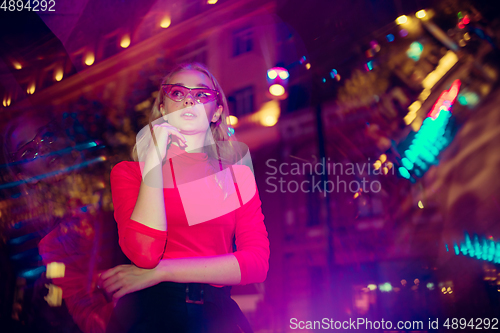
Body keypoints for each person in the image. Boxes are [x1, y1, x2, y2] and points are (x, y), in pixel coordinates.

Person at [100, 63, 270, 333]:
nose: (189, 99)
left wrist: (163, 271)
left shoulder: (236, 178)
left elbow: (257, 263)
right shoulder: (130, 173)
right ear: (163, 108)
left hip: (217, 317)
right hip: (150, 314)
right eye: (177, 93)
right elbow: (145, 255)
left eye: (202, 94)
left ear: (217, 113)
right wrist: (155, 159)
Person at [1, 108, 128, 333]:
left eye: (47, 135)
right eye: (29, 151)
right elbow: (89, 315)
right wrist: (128, 306)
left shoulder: (120, 177)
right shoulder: (54, 244)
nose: (44, 148)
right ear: (24, 176)